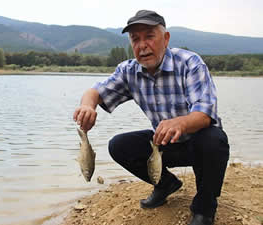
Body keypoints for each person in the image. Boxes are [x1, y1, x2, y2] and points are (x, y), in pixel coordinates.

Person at [73, 10, 229, 225]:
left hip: (199, 142)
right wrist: (87, 107)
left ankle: (204, 208)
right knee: (119, 145)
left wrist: (181, 123)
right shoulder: (128, 71)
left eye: (149, 36)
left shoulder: (189, 63)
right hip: (164, 144)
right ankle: (165, 184)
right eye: (135, 39)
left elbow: (205, 114)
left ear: (165, 39)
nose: (142, 45)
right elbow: (95, 92)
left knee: (214, 139)